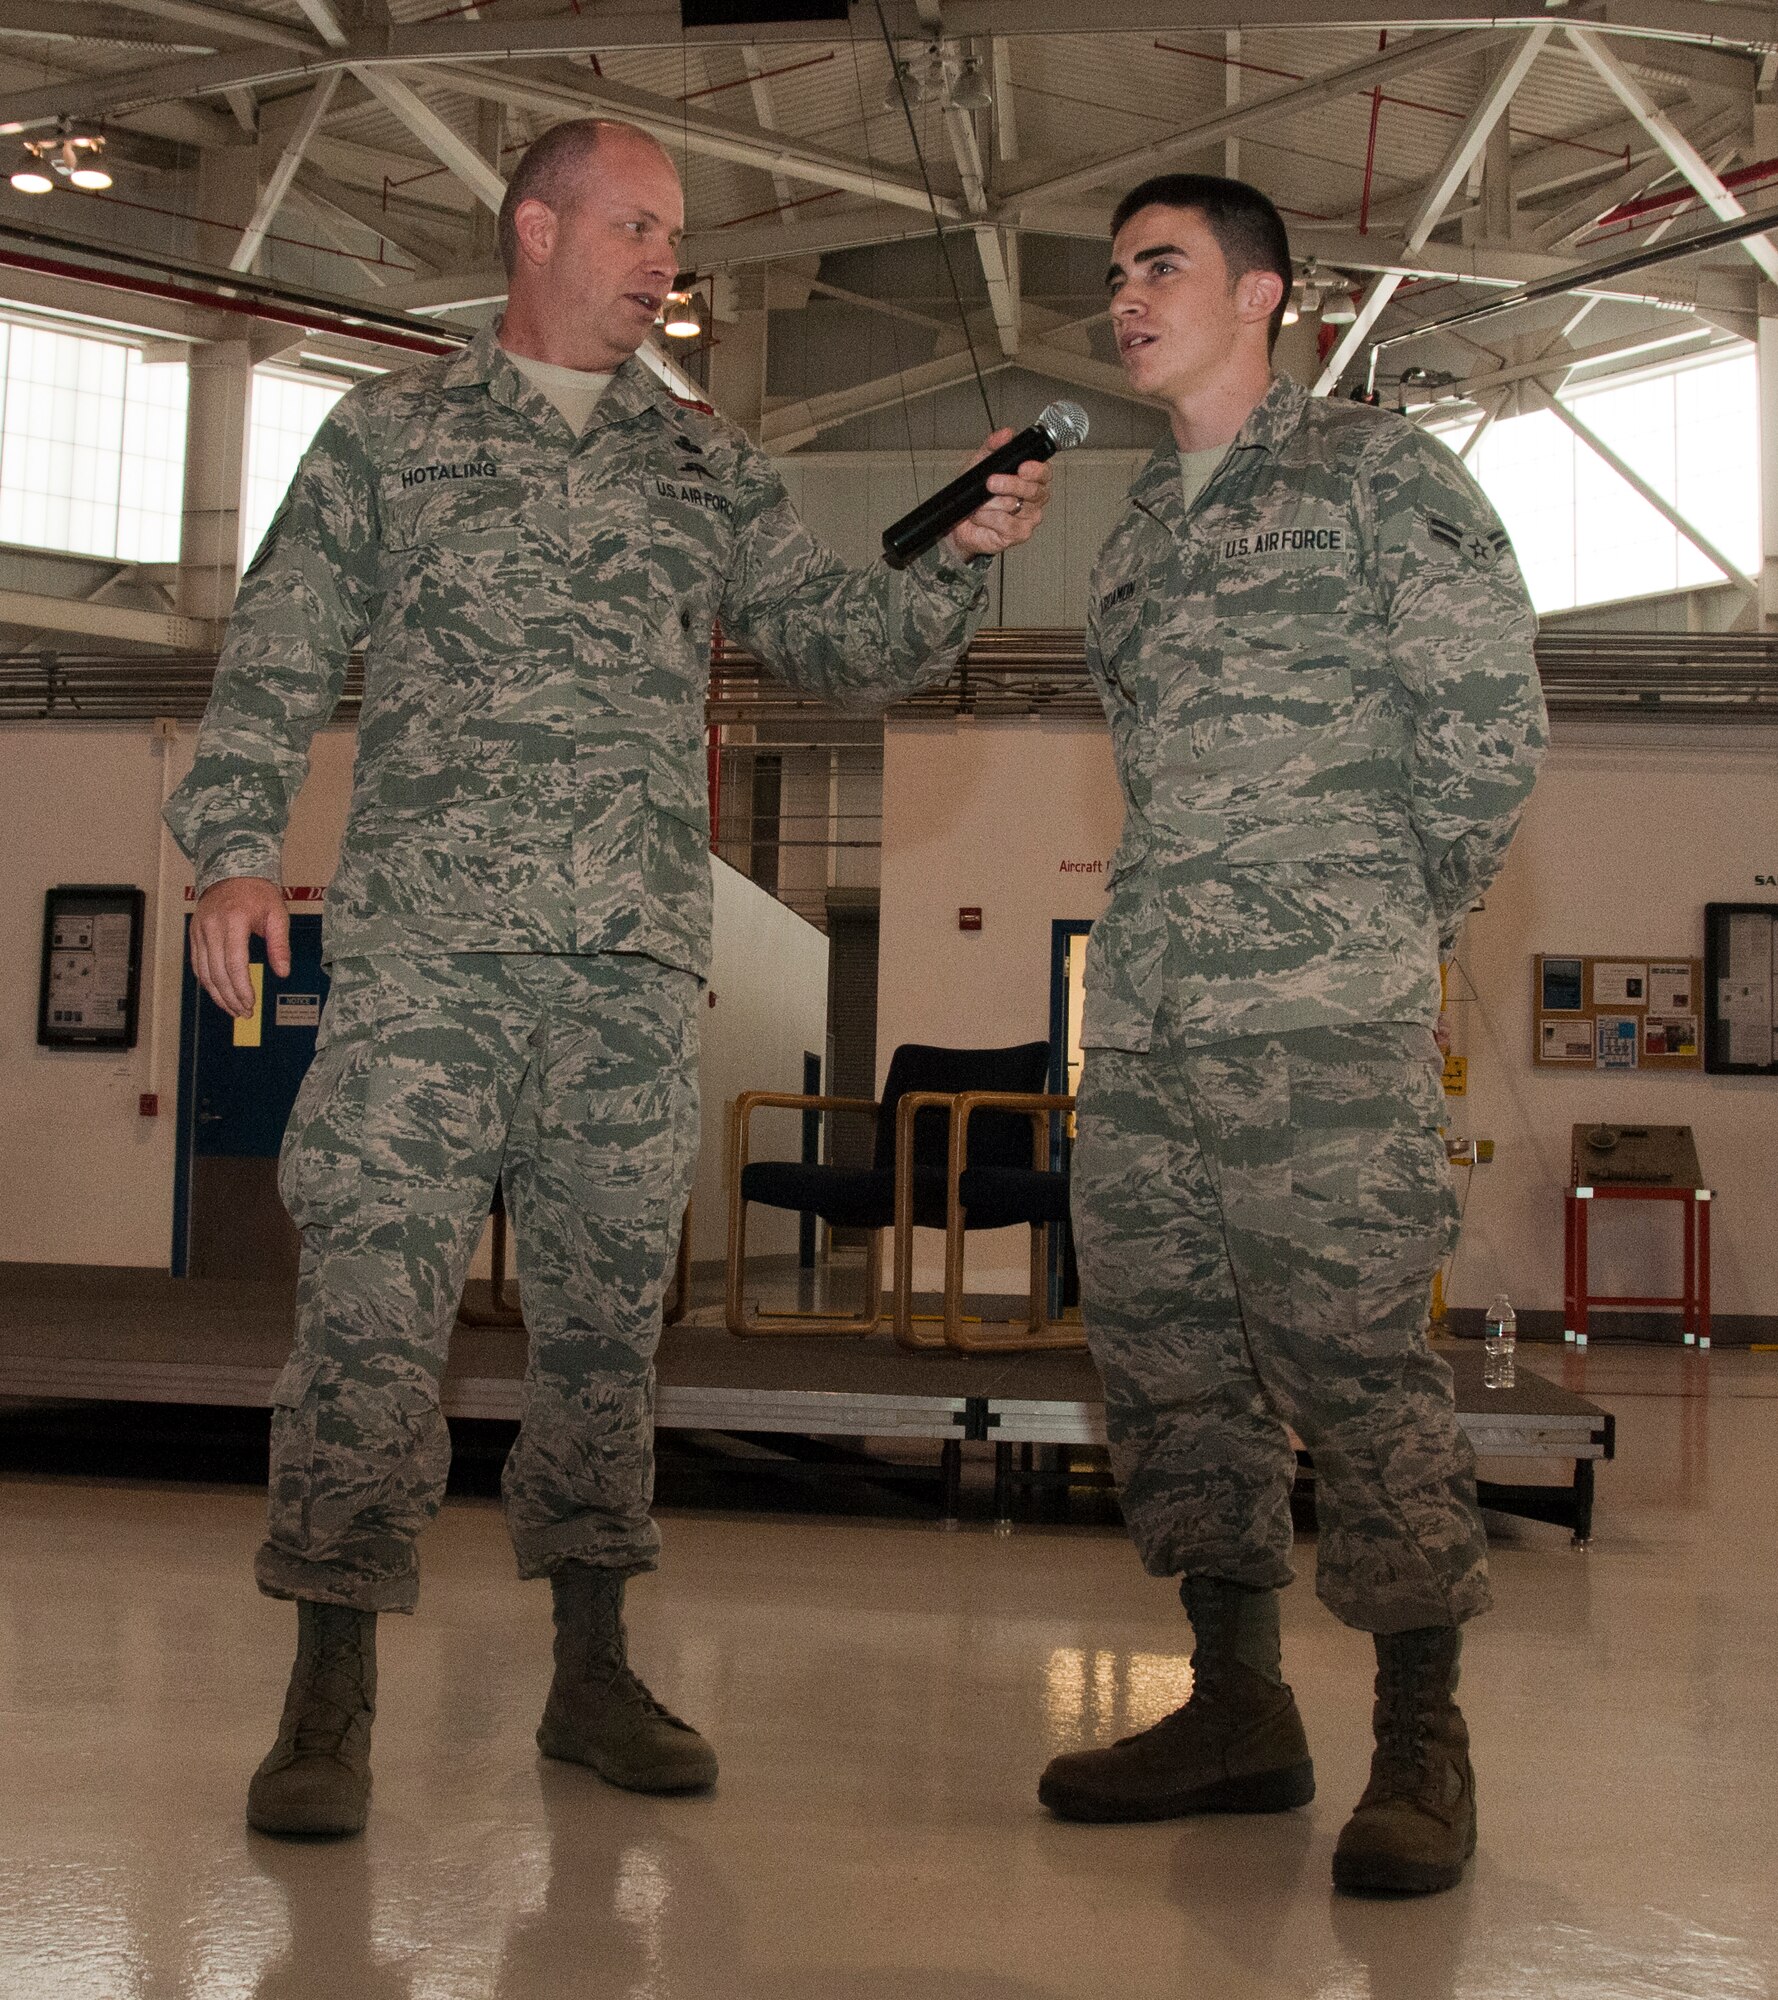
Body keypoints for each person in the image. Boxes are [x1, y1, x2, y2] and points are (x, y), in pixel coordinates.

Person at [166, 117, 1052, 1841]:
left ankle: (589, 1672)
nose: (664, 263)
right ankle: (327, 1691)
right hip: (426, 956)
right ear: (534, 230)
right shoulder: (393, 435)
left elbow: (834, 637)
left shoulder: (699, 464)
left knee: (600, 1339)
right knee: (366, 1319)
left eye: (675, 238)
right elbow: (277, 645)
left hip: (627, 975)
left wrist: (959, 548)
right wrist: (231, 848)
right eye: (637, 228)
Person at [1035, 173, 1545, 1896]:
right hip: (1160, 1013)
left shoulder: (1379, 477)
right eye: (1113, 275)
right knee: (1165, 1359)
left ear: (1263, 293)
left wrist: (1374, 926)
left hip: (1320, 1012)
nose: (1125, 296)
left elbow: (1484, 729)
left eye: (1159, 266)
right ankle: (1239, 1706)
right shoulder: (1129, 539)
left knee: (1350, 1361)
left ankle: (1421, 1742)